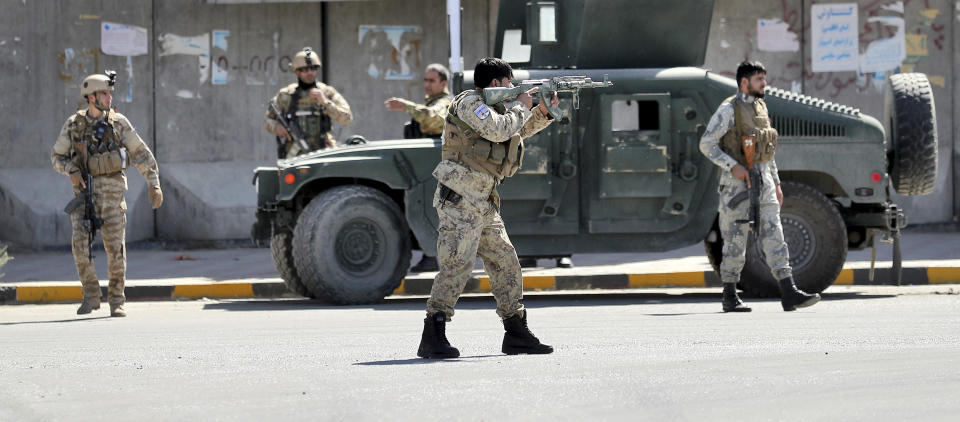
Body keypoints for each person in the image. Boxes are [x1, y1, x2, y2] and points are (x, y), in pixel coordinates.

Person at [417, 58, 558, 359]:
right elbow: (497, 131)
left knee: (506, 261)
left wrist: (543, 112)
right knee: (458, 264)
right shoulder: (469, 103)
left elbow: (514, 133)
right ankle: (434, 331)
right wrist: (522, 105)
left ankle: (516, 331)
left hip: (484, 199)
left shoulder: (499, 109)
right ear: (495, 84)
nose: (512, 88)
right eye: (509, 83)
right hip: (460, 197)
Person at [699, 61, 820, 313]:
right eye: (759, 79)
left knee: (776, 236)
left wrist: (775, 182)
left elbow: (768, 152)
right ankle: (730, 295)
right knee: (735, 241)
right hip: (736, 187)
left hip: (763, 183)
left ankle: (789, 292)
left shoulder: (760, 107)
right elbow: (706, 144)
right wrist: (733, 166)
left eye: (764, 78)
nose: (764, 84)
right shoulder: (728, 109)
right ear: (744, 82)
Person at [51, 71, 163, 317]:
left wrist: (153, 183)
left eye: (110, 93)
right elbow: (56, 156)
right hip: (83, 198)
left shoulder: (119, 122)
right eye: (104, 93)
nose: (109, 97)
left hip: (113, 198)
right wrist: (70, 169)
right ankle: (90, 297)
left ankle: (116, 300)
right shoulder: (73, 125)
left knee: (115, 251)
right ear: (90, 97)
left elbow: (141, 153)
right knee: (80, 248)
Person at [385, 63, 453, 272]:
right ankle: (429, 255)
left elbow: (434, 121)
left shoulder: (444, 102)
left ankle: (432, 256)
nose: (427, 84)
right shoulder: (432, 102)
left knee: (429, 210)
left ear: (443, 83)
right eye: (425, 80)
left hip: (437, 167)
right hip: (425, 167)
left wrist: (406, 106)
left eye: (432, 81)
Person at [264, 47, 352, 159]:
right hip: (294, 154)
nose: (310, 72)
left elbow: (347, 119)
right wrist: (276, 126)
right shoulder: (286, 95)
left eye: (313, 68)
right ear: (296, 71)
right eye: (305, 69)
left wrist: (325, 102)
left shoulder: (327, 92)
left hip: (324, 152)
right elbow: (267, 120)